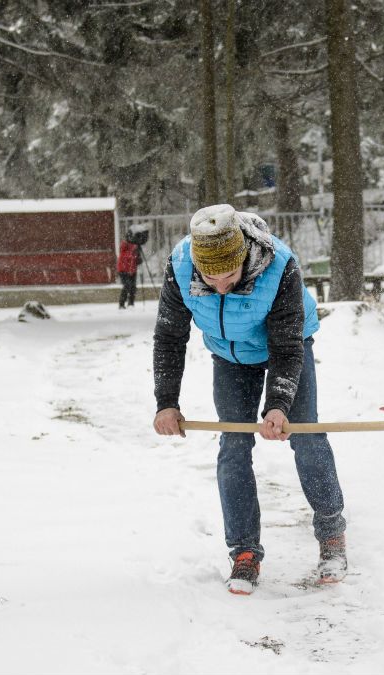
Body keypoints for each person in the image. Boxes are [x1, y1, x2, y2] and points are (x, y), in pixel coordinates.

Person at [151, 204, 347, 596]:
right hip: (229, 356)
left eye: (229, 276)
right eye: (210, 277)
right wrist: (166, 401)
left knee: (305, 435)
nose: (219, 286)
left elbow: (287, 347)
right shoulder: (181, 266)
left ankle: (331, 534)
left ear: (244, 259)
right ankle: (244, 552)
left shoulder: (280, 268)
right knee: (234, 446)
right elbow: (170, 337)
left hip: (286, 348)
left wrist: (277, 405)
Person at [117, 235, 142, 308]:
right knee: (127, 285)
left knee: (133, 287)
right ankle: (121, 304)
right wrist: (134, 252)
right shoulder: (124, 245)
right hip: (123, 270)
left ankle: (131, 303)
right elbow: (125, 255)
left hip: (132, 270)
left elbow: (137, 260)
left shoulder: (135, 247)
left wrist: (138, 256)